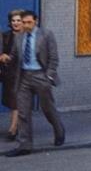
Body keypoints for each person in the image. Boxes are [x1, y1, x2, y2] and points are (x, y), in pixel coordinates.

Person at [3, 10, 65, 157]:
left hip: (40, 76)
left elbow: (53, 58)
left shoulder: (46, 35)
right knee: (23, 111)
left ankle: (59, 131)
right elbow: (14, 55)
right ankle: (25, 145)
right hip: (24, 76)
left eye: (28, 22)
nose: (25, 25)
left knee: (47, 108)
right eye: (23, 22)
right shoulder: (19, 37)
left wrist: (48, 76)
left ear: (35, 21)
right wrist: (6, 58)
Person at [0, 10, 24, 140]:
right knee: (10, 100)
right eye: (13, 20)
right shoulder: (5, 35)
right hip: (8, 72)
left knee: (16, 100)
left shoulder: (27, 36)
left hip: (23, 73)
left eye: (18, 20)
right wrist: (2, 56)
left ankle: (13, 129)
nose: (15, 23)